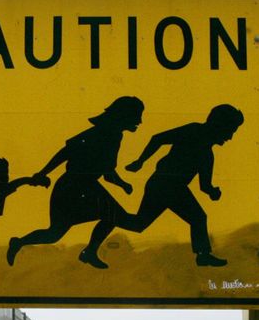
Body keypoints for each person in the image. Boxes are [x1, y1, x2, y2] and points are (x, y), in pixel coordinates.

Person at [82, 103, 243, 267]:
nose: (229, 137)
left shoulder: (207, 155)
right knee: (198, 217)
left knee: (139, 224)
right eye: (230, 131)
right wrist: (140, 161)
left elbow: (204, 185)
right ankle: (202, 255)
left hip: (167, 187)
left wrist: (212, 192)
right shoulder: (193, 131)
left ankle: (102, 227)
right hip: (165, 185)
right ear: (219, 126)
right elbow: (158, 139)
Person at [6, 96, 144, 269]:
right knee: (54, 233)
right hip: (72, 186)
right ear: (123, 116)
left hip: (86, 186)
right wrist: (42, 173)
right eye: (137, 116)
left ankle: (89, 251)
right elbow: (65, 152)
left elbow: (107, 171)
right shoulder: (99, 133)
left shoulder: (115, 136)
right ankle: (19, 243)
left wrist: (122, 184)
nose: (140, 121)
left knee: (107, 216)